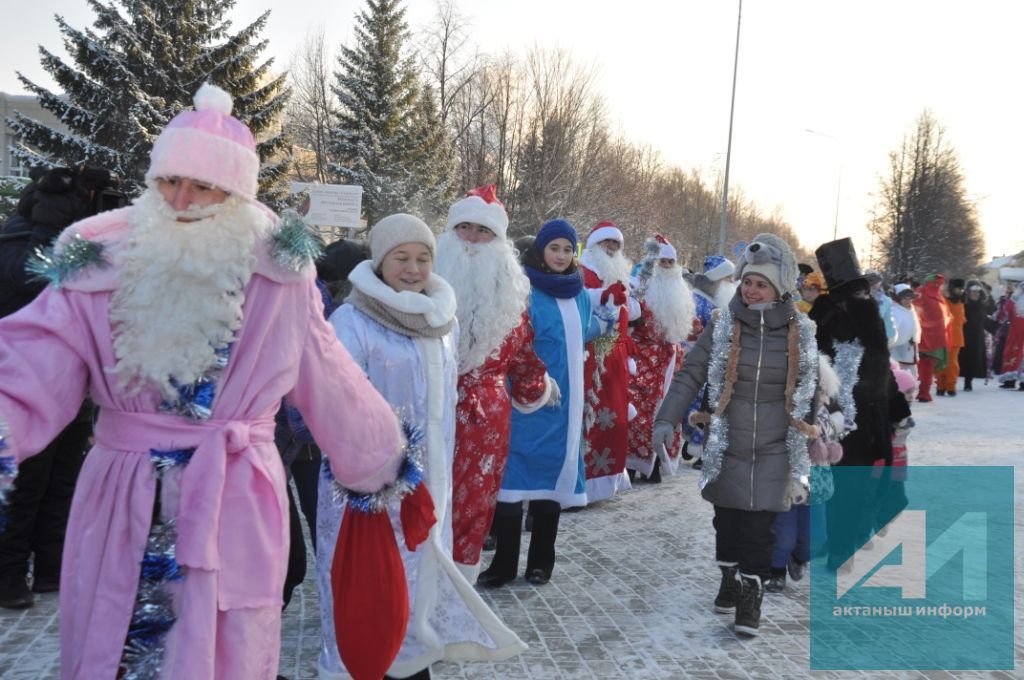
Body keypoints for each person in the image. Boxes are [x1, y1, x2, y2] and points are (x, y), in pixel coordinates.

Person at [0, 83, 405, 679]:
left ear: (237, 191)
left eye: (204, 186)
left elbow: (327, 371)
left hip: (235, 493)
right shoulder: (98, 261)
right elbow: (33, 362)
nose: (182, 199)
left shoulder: (280, 272)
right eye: (168, 181)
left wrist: (380, 462)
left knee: (227, 647)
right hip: (123, 488)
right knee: (116, 641)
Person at [316, 214, 526, 679]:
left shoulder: (441, 322)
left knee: (420, 578)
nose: (413, 269)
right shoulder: (353, 320)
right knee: (370, 589)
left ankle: (413, 659)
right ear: (380, 260)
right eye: (401, 258)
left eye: (422, 259)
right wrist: (372, 472)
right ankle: (366, 664)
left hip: (431, 481)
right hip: (366, 488)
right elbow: (334, 401)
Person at [654, 233, 823, 637]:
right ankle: (729, 576)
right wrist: (667, 417)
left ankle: (751, 596)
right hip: (726, 438)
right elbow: (692, 372)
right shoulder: (724, 324)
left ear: (779, 287)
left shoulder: (801, 331)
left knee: (759, 529)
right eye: (747, 281)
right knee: (727, 521)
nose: (750, 289)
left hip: (775, 444)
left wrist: (816, 433)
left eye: (760, 283)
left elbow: (811, 385)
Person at [0, 165, 120, 609]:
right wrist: (48, 228)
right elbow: (33, 283)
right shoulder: (14, 242)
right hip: (25, 390)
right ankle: (9, 574)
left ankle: (50, 567)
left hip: (73, 388)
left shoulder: (72, 247)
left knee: (63, 479)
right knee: (29, 482)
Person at [479, 219, 613, 588]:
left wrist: (604, 325)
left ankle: (541, 563)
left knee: (550, 487)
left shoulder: (581, 294)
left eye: (568, 250)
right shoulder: (523, 292)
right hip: (524, 402)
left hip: (564, 406)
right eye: (554, 248)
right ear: (541, 251)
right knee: (512, 483)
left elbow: (580, 333)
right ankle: (503, 564)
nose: (561, 255)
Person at [433, 185, 555, 581]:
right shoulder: (423, 284)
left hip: (485, 418)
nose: (471, 238)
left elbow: (522, 356)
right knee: (422, 497)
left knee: (473, 501)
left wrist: (539, 389)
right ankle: (414, 584)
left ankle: (459, 587)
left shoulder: (511, 299)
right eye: (464, 227)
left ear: (498, 241)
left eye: (483, 231)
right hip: (425, 405)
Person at [810, 238, 910, 572]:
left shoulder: (867, 319)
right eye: (857, 288)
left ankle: (840, 544)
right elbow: (813, 368)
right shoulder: (824, 319)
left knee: (852, 486)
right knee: (842, 487)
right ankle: (837, 548)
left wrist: (897, 409)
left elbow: (883, 369)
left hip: (863, 417)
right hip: (838, 416)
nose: (863, 294)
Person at [577, 221, 640, 503]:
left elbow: (629, 314)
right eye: (607, 243)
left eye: (616, 244)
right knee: (587, 418)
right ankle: (581, 484)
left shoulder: (621, 277)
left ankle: (604, 484)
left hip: (615, 360)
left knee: (613, 420)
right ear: (593, 245)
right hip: (589, 355)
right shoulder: (582, 273)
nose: (612, 248)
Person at [626, 235, 695, 481]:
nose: (665, 267)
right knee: (637, 414)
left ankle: (656, 464)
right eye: (661, 262)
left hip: (669, 366)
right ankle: (633, 464)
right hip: (642, 361)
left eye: (670, 262)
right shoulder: (641, 289)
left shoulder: (682, 294)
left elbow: (692, 326)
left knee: (666, 413)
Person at [681, 254, 736, 469]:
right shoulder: (699, 301)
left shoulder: (715, 302)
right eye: (727, 279)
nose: (731, 284)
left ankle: (698, 448)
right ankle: (699, 447)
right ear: (718, 279)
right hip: (703, 363)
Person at [912, 274, 953, 402]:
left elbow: (946, 317)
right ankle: (913, 391)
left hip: (936, 339)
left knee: (928, 367)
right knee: (918, 367)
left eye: (939, 284)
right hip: (921, 338)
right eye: (934, 284)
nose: (936, 286)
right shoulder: (919, 296)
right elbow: (914, 314)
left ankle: (924, 392)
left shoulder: (940, 298)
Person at [936, 278, 966, 396]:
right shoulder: (943, 301)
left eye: (961, 289)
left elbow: (962, 319)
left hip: (956, 337)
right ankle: (940, 385)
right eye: (957, 288)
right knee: (941, 362)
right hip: (943, 337)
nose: (959, 291)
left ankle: (951, 386)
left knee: (952, 363)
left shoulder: (961, 302)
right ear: (951, 288)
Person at [958, 281, 989, 392]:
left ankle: (968, 382)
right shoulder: (963, 304)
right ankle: (950, 381)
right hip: (964, 335)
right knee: (961, 359)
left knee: (973, 359)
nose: (975, 294)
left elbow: (985, 321)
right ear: (968, 292)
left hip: (977, 337)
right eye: (973, 292)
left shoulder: (982, 305)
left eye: (977, 292)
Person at [996, 282, 1024, 389]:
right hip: (1015, 334)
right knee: (1011, 354)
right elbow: (1003, 315)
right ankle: (1009, 380)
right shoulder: (1012, 302)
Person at [890, 284, 922, 377]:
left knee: (911, 375)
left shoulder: (911, 310)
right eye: (904, 298)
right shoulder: (894, 310)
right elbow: (892, 329)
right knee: (896, 375)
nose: (907, 301)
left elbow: (916, 326)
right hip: (897, 349)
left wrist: (915, 337)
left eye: (909, 298)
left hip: (910, 348)